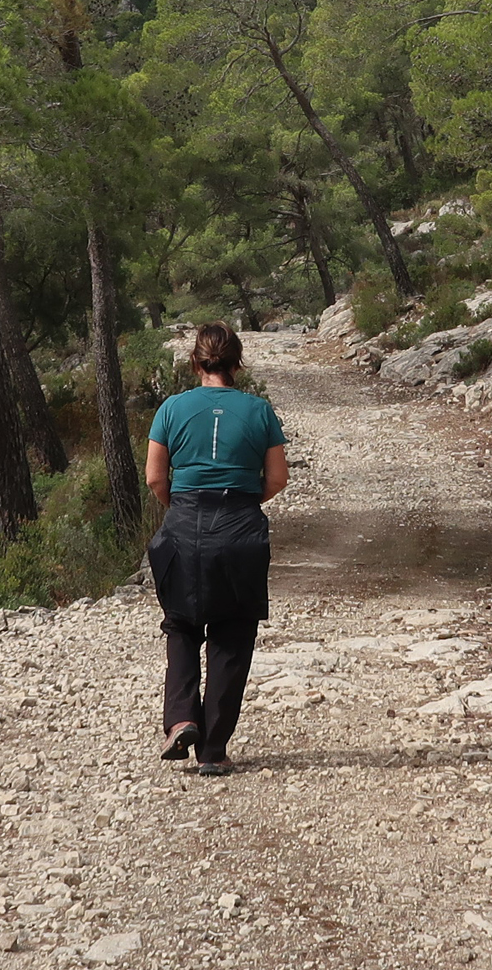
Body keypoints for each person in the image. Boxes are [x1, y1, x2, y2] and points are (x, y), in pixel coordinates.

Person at [145, 322, 288, 776]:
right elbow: (278, 478)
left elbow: (154, 477)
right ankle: (213, 749)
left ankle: (182, 718)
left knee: (182, 625)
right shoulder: (259, 410)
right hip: (239, 524)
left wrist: (182, 507)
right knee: (233, 632)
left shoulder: (171, 408)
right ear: (237, 363)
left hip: (184, 521)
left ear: (195, 361)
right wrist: (243, 503)